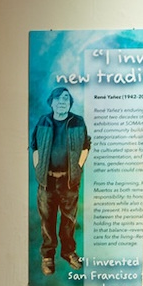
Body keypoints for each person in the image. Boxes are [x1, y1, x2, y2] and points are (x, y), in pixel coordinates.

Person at [31, 86, 91, 275]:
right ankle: (48, 256)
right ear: (52, 102)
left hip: (68, 182)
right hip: (46, 182)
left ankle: (68, 252)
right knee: (47, 220)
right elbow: (34, 146)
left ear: (70, 103)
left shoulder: (78, 122)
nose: (62, 102)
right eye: (58, 99)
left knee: (68, 220)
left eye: (66, 98)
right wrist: (38, 168)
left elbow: (85, 146)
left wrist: (78, 167)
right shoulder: (43, 121)